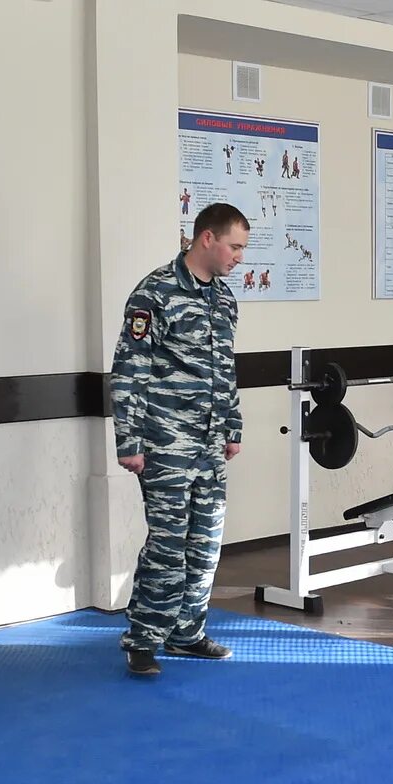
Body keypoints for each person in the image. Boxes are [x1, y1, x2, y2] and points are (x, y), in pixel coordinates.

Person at [111, 201, 249, 676]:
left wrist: (232, 426)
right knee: (168, 545)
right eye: (234, 246)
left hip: (209, 444)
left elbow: (225, 369)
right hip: (165, 442)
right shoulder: (155, 293)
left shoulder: (224, 299)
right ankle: (143, 639)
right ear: (206, 238)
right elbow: (130, 368)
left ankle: (187, 632)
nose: (239, 257)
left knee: (206, 543)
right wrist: (129, 439)